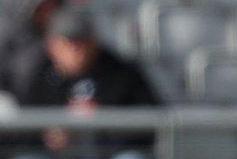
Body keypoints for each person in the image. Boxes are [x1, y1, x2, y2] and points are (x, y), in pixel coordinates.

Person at [16, 9, 159, 159]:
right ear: (52, 46)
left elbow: (150, 123)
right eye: (70, 43)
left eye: (83, 41)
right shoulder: (39, 76)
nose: (78, 50)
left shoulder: (120, 72)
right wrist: (49, 135)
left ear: (94, 41)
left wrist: (103, 121)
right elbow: (20, 133)